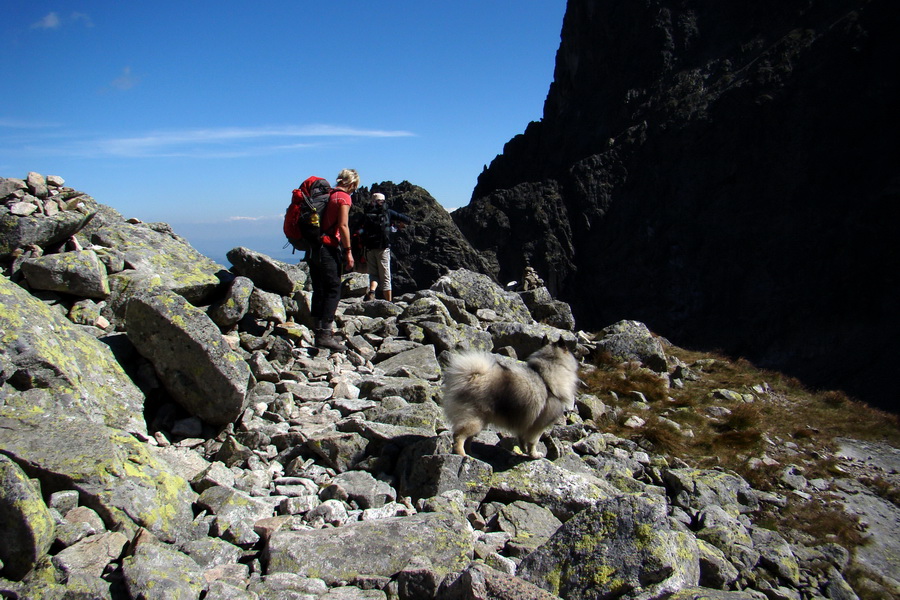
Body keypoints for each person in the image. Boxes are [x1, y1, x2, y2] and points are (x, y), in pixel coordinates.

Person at [307, 168, 359, 351]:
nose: (354, 191)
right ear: (352, 184)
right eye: (355, 187)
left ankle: (317, 331)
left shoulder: (326, 194)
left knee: (319, 289)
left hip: (313, 248)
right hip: (328, 248)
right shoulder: (343, 198)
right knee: (333, 289)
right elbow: (343, 226)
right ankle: (325, 335)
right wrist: (348, 252)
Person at [361, 192, 411, 302]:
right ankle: (389, 303)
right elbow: (406, 219)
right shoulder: (387, 212)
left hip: (369, 248)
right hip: (383, 248)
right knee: (386, 277)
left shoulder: (367, 212)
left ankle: (372, 292)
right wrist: (398, 225)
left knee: (373, 274)